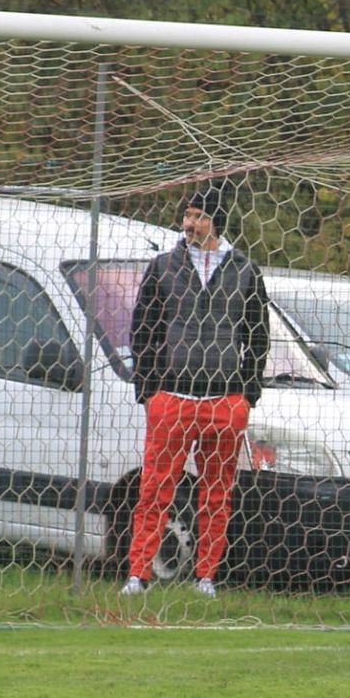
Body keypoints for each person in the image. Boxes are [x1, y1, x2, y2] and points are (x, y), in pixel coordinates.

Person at [122, 183, 269, 599]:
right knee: (154, 489)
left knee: (217, 492)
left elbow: (257, 338)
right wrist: (149, 390)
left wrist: (247, 396)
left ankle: (207, 576)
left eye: (199, 216)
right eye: (187, 215)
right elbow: (143, 330)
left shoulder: (245, 270)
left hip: (224, 403)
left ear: (216, 221)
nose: (189, 224)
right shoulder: (163, 266)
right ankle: (139, 574)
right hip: (172, 399)